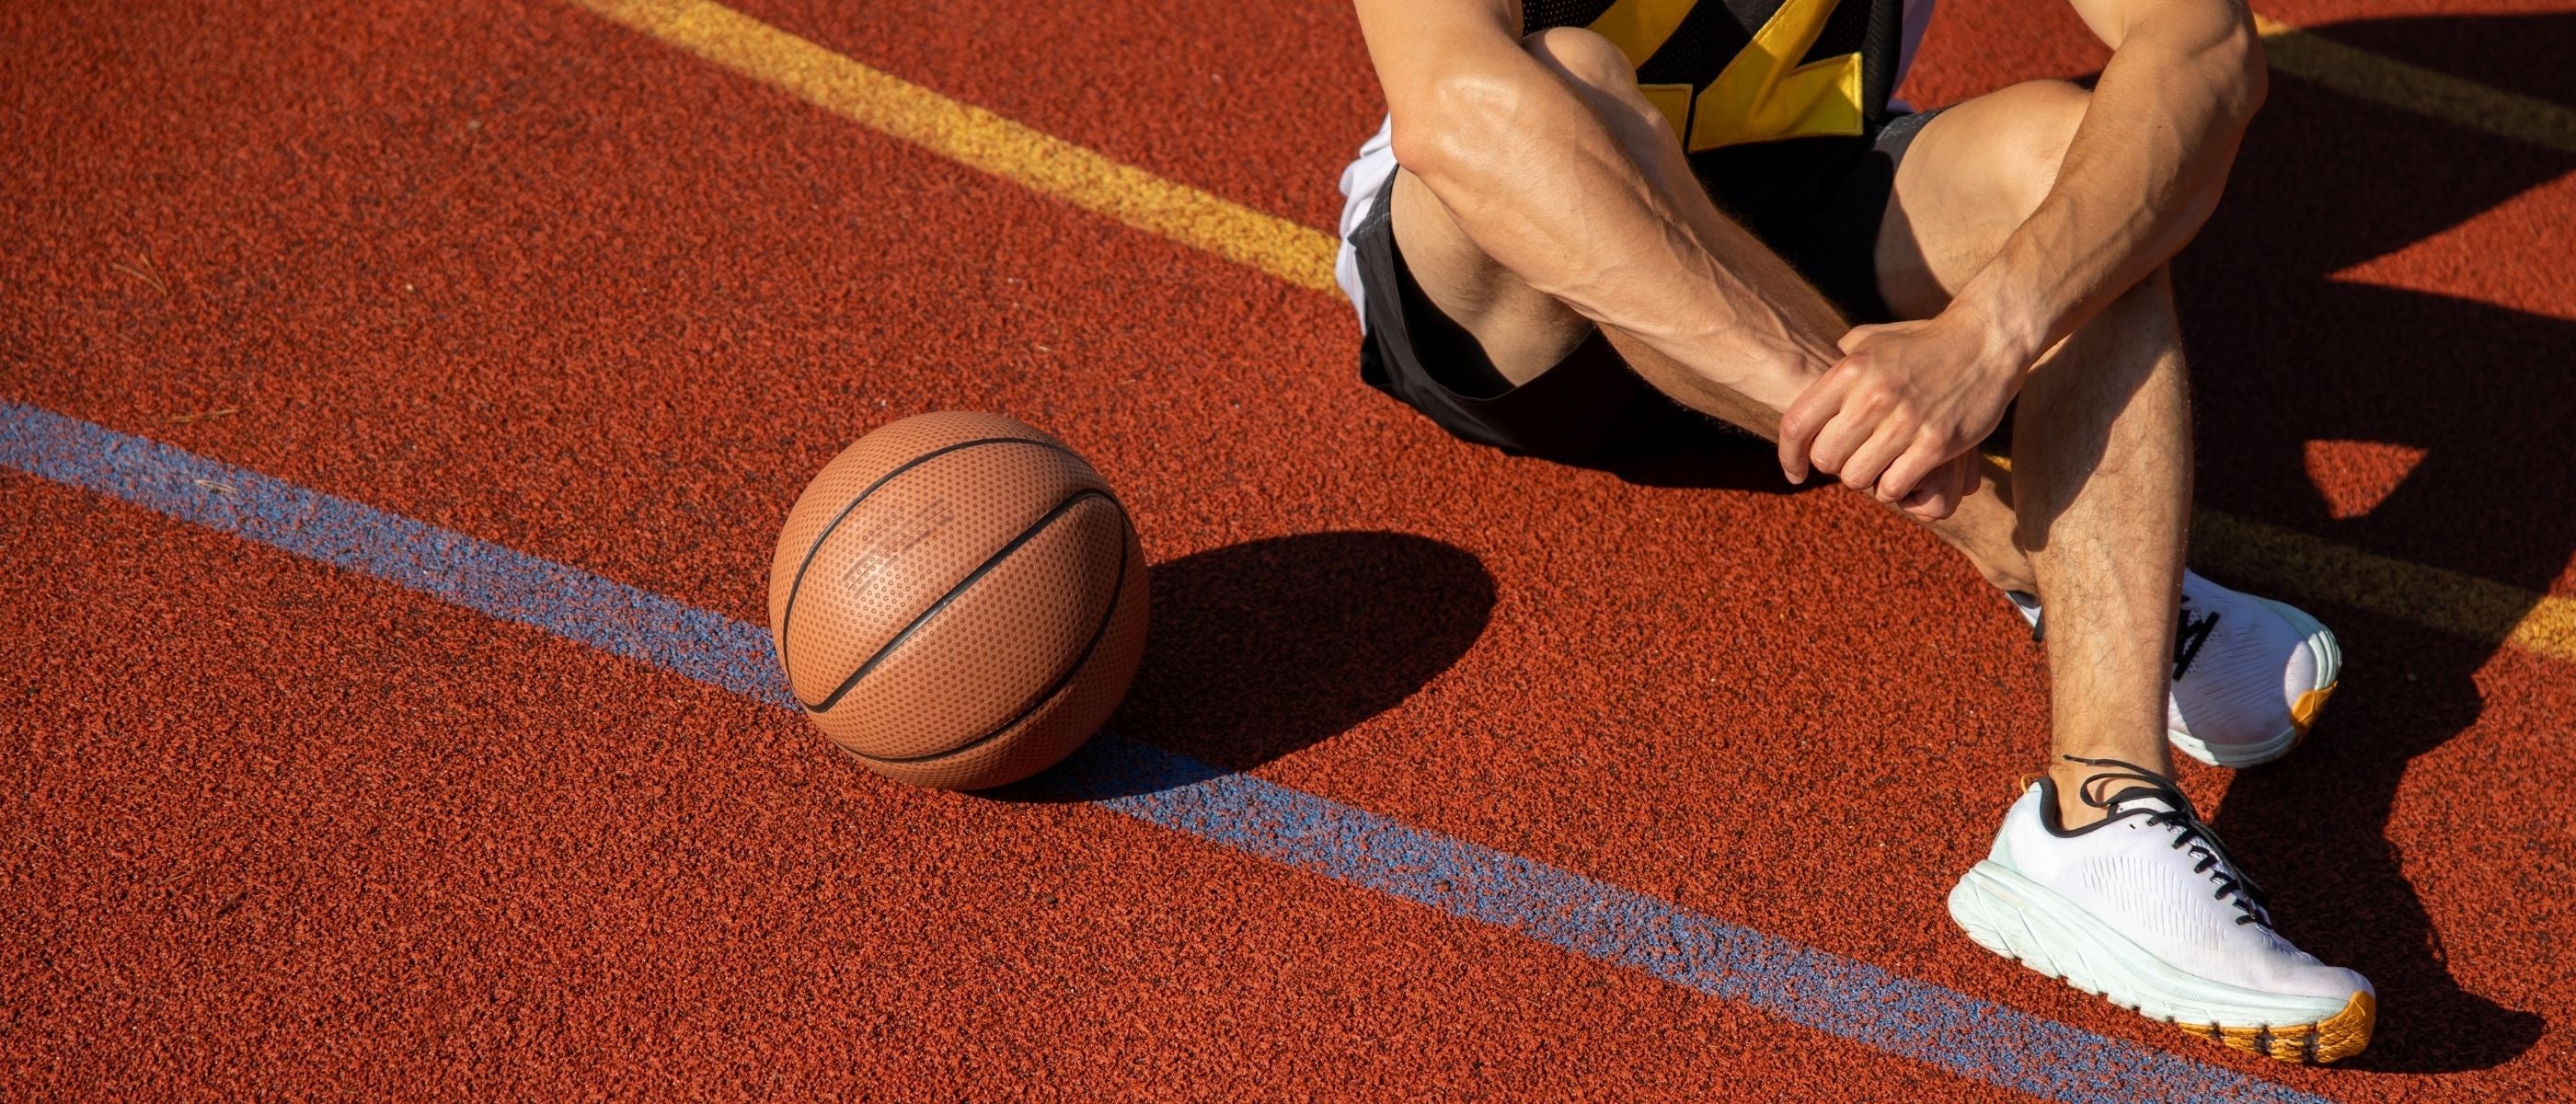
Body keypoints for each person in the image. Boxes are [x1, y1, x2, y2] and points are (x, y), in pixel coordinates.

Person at [1338, 0, 2374, 1063]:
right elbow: (1455, 112)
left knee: (2086, 175)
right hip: (1516, 291)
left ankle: (2103, 816)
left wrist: (1992, 331)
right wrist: (1850, 401)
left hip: (1806, 203)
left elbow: (2204, 43)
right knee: (1578, 76)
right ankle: (2049, 568)